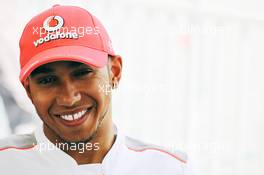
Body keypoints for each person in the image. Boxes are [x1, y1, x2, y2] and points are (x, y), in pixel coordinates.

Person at [0, 5, 194, 175]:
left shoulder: (169, 169)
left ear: (115, 72)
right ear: (28, 90)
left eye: (83, 73)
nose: (68, 98)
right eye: (48, 80)